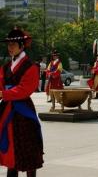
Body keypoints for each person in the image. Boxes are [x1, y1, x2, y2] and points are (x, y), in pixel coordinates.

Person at [0, 28, 44, 176]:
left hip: (23, 110)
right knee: (11, 149)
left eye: (13, 44)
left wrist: (4, 93)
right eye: (9, 45)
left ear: (22, 45)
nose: (10, 47)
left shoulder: (31, 66)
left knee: (28, 147)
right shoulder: (6, 67)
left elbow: (25, 89)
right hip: (8, 108)